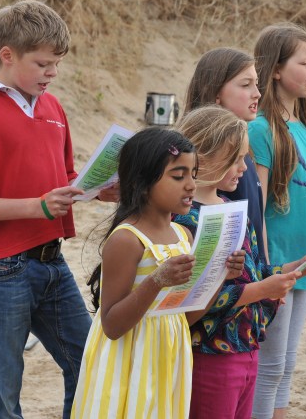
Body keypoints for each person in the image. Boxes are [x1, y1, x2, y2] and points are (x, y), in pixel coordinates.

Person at [0, 0, 108, 418]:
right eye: (43, 64)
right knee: (2, 389)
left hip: (52, 261)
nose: (52, 73)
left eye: (57, 64)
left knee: (90, 363)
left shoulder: (53, 107)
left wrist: (99, 190)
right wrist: (37, 207)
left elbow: (64, 176)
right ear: (8, 55)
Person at [72, 127, 244, 417]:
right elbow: (112, 325)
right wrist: (157, 281)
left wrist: (219, 276)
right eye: (178, 176)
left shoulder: (183, 235)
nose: (191, 185)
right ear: (142, 183)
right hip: (129, 361)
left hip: (167, 356)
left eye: (193, 174)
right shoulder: (127, 240)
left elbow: (185, 316)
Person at [174, 106, 306, 419]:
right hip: (210, 353)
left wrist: (295, 268)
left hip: (247, 347)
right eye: (236, 159)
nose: (244, 168)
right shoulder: (185, 220)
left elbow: (253, 272)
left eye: (245, 158)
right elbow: (193, 301)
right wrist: (264, 290)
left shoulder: (232, 208)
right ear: (204, 157)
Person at [249, 22, 306, 419]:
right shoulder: (260, 129)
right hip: (278, 265)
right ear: (276, 70)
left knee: (286, 364)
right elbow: (258, 208)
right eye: (304, 62)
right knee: (269, 367)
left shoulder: (305, 128)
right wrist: (269, 272)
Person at [183, 47, 265, 245]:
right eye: (246, 85)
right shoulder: (209, 164)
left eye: (256, 84)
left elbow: (257, 225)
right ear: (215, 92)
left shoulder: (244, 157)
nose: (257, 94)